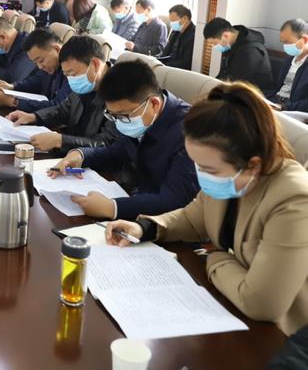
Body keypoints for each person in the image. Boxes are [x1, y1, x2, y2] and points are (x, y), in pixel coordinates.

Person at [104, 82, 308, 336]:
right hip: (230, 307)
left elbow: (261, 304)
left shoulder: (294, 201)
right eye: (197, 165)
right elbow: (192, 218)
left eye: (209, 169)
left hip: (281, 336)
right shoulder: (232, 176)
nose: (202, 175)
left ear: (253, 165)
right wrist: (143, 227)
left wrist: (214, 258)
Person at [49, 60, 199, 219]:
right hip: (140, 203)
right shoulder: (140, 117)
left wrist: (113, 208)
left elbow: (176, 200)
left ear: (154, 104)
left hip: (170, 221)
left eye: (123, 116)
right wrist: (81, 155)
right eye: (113, 116)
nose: (119, 122)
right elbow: (115, 152)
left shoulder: (191, 133)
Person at [6, 36, 119, 153]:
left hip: (91, 160)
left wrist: (61, 141)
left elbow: (105, 143)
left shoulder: (121, 94)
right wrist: (34, 117)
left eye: (73, 74)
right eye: (67, 75)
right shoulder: (87, 82)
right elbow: (63, 110)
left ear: (95, 64)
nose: (71, 80)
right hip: (71, 154)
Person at [0, 28, 71, 112]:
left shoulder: (71, 70)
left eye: (41, 61)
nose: (40, 67)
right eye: (36, 63)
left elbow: (58, 106)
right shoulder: (51, 65)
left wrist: (13, 102)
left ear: (57, 49)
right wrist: (12, 86)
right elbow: (34, 83)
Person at [203, 17, 273, 90]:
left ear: (225, 36)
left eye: (214, 43)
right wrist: (209, 85)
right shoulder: (229, 45)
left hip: (254, 93)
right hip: (236, 88)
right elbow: (223, 74)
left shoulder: (250, 51)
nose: (214, 46)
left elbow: (240, 83)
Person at [0, 17, 37, 83]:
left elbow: (13, 77)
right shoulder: (12, 43)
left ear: (3, 37)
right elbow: (2, 61)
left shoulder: (27, 46)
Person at [267, 19, 308, 111]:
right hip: (278, 102)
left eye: (287, 42)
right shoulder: (289, 62)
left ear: (305, 40)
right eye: (283, 42)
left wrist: (284, 107)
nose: (285, 46)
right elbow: (282, 89)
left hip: (292, 110)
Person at [157, 4, 196, 70]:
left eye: (173, 20)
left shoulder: (193, 35)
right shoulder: (176, 31)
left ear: (185, 18)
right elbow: (165, 51)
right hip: (167, 65)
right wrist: (156, 59)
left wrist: (165, 65)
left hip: (177, 70)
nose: (171, 23)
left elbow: (186, 62)